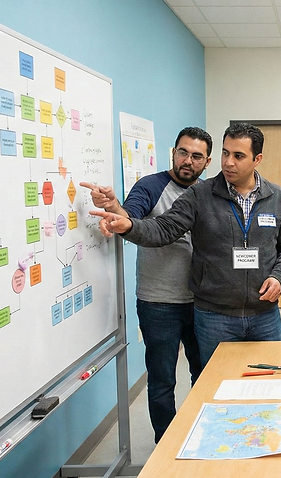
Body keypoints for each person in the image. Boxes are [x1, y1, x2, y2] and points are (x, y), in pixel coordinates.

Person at [91, 123, 281, 367]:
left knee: (271, 381)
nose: (228, 162)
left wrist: (279, 277)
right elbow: (163, 228)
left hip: (265, 314)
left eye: (238, 156)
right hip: (215, 317)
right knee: (214, 386)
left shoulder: (276, 198)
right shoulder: (200, 194)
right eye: (225, 153)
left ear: (258, 159)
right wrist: (129, 226)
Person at [81, 126, 211, 443]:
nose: (188, 161)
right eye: (183, 152)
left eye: (197, 156)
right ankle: (166, 443)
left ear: (206, 162)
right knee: (162, 379)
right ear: (173, 152)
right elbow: (131, 218)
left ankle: (204, 435)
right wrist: (113, 208)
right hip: (158, 303)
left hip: (203, 302)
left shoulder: (209, 192)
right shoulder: (151, 186)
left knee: (205, 374)